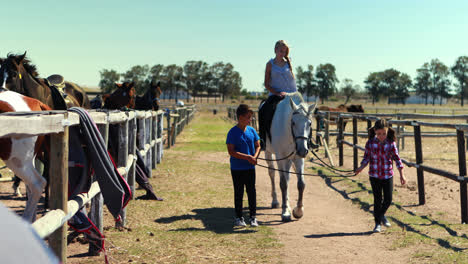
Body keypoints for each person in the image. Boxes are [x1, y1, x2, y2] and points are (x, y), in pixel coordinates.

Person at [355, 119, 407, 233]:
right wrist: (360, 168)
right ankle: (377, 224)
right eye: (379, 134)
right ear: (374, 132)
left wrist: (402, 175)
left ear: (387, 131)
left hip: (387, 175)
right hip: (374, 176)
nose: (381, 136)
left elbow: (397, 159)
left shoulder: (391, 143)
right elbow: (366, 158)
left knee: (388, 199)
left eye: (384, 133)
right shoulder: (370, 143)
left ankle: (381, 215)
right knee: (377, 200)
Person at [226, 104, 261, 227]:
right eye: (248, 117)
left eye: (250, 117)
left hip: (250, 168)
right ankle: (239, 217)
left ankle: (253, 217)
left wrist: (255, 157)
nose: (250, 120)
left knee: (252, 192)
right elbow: (231, 151)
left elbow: (258, 145)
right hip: (237, 168)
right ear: (240, 117)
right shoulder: (232, 132)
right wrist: (247, 157)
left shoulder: (251, 130)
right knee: (239, 192)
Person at [258, 40, 297, 149]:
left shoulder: (288, 62)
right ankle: (263, 139)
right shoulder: (270, 64)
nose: (282, 53)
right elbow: (266, 84)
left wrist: (292, 94)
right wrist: (278, 93)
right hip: (276, 95)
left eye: (284, 51)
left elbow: (291, 81)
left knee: (304, 113)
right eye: (280, 51)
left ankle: (308, 140)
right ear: (275, 50)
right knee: (263, 109)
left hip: (291, 95)